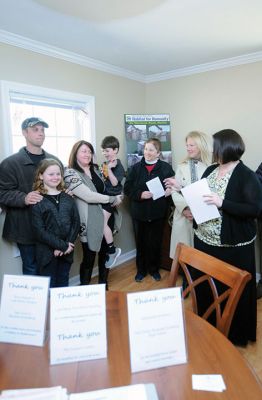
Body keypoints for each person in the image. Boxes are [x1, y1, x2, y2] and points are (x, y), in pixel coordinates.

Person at [193, 129, 262, 346]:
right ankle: (209, 326)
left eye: (215, 146)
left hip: (232, 246)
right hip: (204, 241)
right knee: (207, 286)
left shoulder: (247, 175)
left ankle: (234, 334)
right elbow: (201, 196)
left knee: (231, 290)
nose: (212, 150)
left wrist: (223, 203)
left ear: (227, 147)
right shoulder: (211, 170)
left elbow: (254, 209)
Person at [0, 117, 61, 276]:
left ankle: (51, 300)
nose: (41, 133)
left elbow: (61, 186)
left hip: (50, 227)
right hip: (25, 228)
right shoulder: (10, 163)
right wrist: (23, 198)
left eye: (42, 130)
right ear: (24, 133)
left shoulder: (54, 161)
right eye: (35, 130)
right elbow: (2, 193)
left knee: (51, 266)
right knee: (31, 267)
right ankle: (37, 301)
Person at [64, 140, 122, 287]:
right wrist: (111, 199)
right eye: (83, 151)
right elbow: (88, 195)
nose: (87, 154)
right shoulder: (70, 173)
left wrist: (114, 197)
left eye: (90, 152)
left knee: (105, 254)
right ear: (75, 153)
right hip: (89, 220)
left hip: (105, 215)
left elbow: (107, 186)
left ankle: (103, 285)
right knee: (89, 257)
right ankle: (84, 290)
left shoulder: (96, 169)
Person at [124, 138, 175, 282]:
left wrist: (169, 191)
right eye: (146, 149)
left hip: (158, 213)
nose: (147, 152)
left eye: (151, 150)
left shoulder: (166, 168)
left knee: (155, 243)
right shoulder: (135, 168)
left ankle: (154, 270)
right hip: (139, 213)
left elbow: (173, 186)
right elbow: (127, 188)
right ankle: (141, 270)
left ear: (158, 153)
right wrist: (140, 194)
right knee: (140, 243)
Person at [31, 159, 80, 287]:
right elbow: (39, 231)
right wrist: (62, 246)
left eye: (58, 174)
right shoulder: (37, 200)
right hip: (47, 253)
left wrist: (68, 245)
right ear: (41, 176)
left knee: (63, 282)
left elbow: (76, 222)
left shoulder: (68, 197)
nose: (55, 177)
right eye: (51, 174)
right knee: (49, 285)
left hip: (67, 251)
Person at [164, 131, 211, 258]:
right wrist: (184, 209)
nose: (188, 148)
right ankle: (186, 277)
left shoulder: (211, 167)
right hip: (184, 216)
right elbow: (173, 189)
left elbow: (211, 192)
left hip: (203, 217)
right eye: (187, 145)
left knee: (203, 255)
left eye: (192, 145)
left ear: (201, 146)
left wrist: (197, 209)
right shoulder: (181, 166)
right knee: (184, 252)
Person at [100, 136, 125, 268]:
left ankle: (112, 250)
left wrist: (109, 169)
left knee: (103, 223)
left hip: (112, 197)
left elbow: (115, 183)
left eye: (108, 150)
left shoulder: (118, 165)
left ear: (115, 150)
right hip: (104, 197)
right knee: (103, 224)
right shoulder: (104, 164)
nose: (105, 153)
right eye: (103, 151)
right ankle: (110, 249)